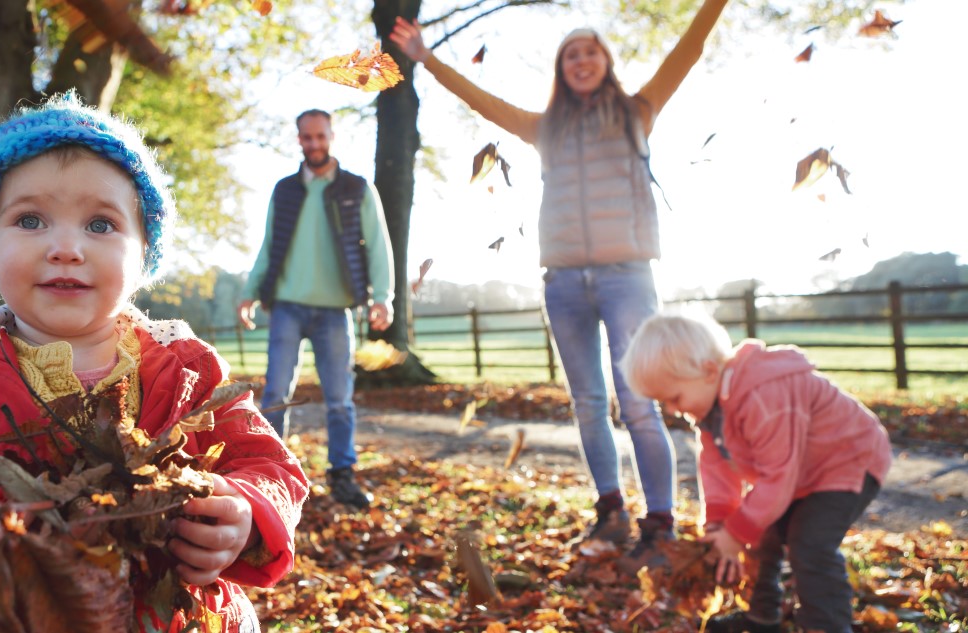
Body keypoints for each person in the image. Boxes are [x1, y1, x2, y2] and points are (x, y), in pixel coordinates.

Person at [0, 93, 310, 633]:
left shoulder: (185, 367)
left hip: (177, 614)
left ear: (143, 257)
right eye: (30, 219)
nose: (66, 247)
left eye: (100, 225)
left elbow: (268, 463)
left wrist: (245, 515)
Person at [389, 0, 728, 565]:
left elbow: (687, 51)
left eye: (590, 50)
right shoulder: (544, 128)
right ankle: (610, 512)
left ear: (606, 60)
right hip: (564, 282)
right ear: (561, 68)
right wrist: (426, 58)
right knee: (589, 402)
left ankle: (661, 525)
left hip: (628, 277)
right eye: (571, 53)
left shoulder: (637, 112)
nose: (581, 59)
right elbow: (483, 102)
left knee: (640, 402)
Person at [620, 313, 892, 633]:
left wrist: (736, 534)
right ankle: (763, 617)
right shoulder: (711, 413)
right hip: (798, 472)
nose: (671, 410)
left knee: (809, 544)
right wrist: (721, 527)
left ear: (708, 371)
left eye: (674, 398)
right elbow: (718, 470)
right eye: (663, 403)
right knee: (762, 536)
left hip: (847, 461)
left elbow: (778, 476)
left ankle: (827, 625)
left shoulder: (763, 393)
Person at [238, 109, 395, 509]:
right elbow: (269, 243)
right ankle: (268, 473)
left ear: (331, 136)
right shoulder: (285, 189)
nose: (314, 144)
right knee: (275, 392)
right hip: (287, 306)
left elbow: (378, 245)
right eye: (306, 138)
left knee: (340, 399)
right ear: (299, 140)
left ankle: (342, 475)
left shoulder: (356, 188)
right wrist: (250, 291)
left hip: (334, 311)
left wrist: (383, 297)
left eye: (320, 136)